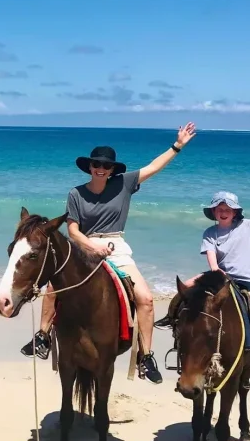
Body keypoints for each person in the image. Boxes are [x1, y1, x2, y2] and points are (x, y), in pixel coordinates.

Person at [19, 123, 198, 385]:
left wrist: (177, 145)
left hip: (116, 247)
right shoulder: (76, 194)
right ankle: (43, 336)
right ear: (89, 167)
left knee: (146, 299)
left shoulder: (124, 184)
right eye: (96, 165)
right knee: (52, 289)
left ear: (112, 169)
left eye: (106, 166)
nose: (101, 169)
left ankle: (146, 356)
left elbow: (153, 167)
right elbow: (73, 230)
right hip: (84, 246)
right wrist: (92, 247)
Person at [155, 192, 250, 374]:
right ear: (214, 211)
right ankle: (171, 317)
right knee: (185, 287)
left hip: (245, 280)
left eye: (227, 209)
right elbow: (211, 254)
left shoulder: (246, 226)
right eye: (220, 209)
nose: (223, 212)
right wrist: (215, 269)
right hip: (219, 275)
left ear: (235, 211)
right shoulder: (210, 233)